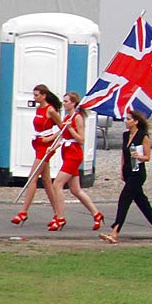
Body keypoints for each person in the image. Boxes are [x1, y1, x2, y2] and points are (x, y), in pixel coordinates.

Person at [12, 84, 67, 229]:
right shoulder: (39, 108)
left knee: (32, 178)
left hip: (45, 147)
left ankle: (23, 211)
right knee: (47, 181)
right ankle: (58, 214)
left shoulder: (50, 110)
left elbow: (63, 129)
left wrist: (51, 139)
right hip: (37, 143)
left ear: (44, 95)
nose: (34, 97)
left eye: (37, 95)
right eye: (34, 95)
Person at [103, 113, 152, 243]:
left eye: (128, 119)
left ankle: (114, 232)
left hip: (138, 174)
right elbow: (123, 154)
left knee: (124, 200)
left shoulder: (143, 136)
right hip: (128, 172)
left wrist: (139, 156)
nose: (126, 121)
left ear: (136, 122)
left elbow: (147, 157)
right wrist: (122, 170)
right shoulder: (125, 135)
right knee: (142, 203)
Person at [55, 92, 104, 230]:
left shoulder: (77, 118)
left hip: (74, 154)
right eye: (63, 101)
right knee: (75, 190)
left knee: (57, 184)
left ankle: (60, 217)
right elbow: (62, 136)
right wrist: (53, 146)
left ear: (73, 103)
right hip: (67, 151)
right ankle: (96, 213)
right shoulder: (66, 117)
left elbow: (81, 139)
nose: (64, 104)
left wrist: (70, 128)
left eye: (66, 101)